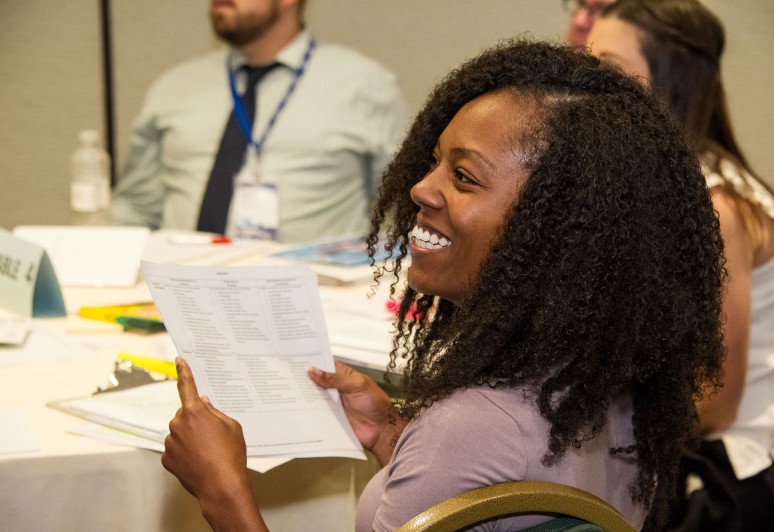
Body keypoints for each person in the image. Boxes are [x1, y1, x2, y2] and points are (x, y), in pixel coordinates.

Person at [160, 38, 726, 531]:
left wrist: (221, 490)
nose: (420, 190)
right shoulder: (617, 389)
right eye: (434, 163)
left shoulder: (472, 427)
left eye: (462, 177)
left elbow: (488, 453)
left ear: (553, 227)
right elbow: (496, 499)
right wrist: (393, 436)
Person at [588, 1, 774, 529]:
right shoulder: (658, 182)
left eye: (608, 68)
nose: (586, 85)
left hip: (748, 459)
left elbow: (714, 403)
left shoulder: (717, 206)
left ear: (670, 80)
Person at [110, 0, 408, 243]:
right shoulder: (174, 86)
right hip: (181, 294)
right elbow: (136, 207)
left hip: (312, 299)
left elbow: (399, 208)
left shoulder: (364, 86)